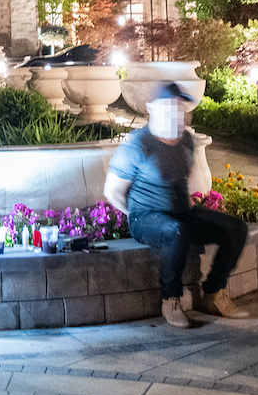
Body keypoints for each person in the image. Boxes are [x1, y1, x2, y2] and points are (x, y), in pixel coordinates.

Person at [104, 85, 250, 326]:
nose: (178, 114)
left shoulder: (187, 141)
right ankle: (170, 300)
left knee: (235, 228)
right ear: (154, 110)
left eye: (180, 109)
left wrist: (184, 207)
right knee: (175, 231)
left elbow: (188, 178)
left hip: (182, 214)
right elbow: (113, 191)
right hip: (146, 218)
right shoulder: (138, 145)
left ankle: (214, 293)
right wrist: (139, 214)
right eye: (171, 107)